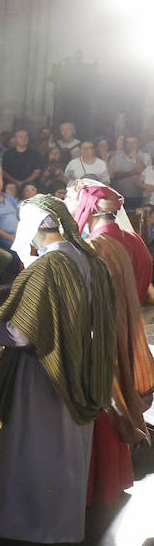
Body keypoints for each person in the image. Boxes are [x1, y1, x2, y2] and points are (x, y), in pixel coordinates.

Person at [0, 196, 117, 543]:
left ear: (38, 226)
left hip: (45, 373)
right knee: (68, 451)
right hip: (80, 365)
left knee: (38, 448)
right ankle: (65, 527)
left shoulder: (48, 267)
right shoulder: (88, 258)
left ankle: (34, 529)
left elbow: (22, 332)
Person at [82, 203, 154, 506]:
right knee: (123, 385)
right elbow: (145, 268)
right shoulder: (132, 238)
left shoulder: (96, 245)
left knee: (109, 398)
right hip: (128, 322)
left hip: (102, 331)